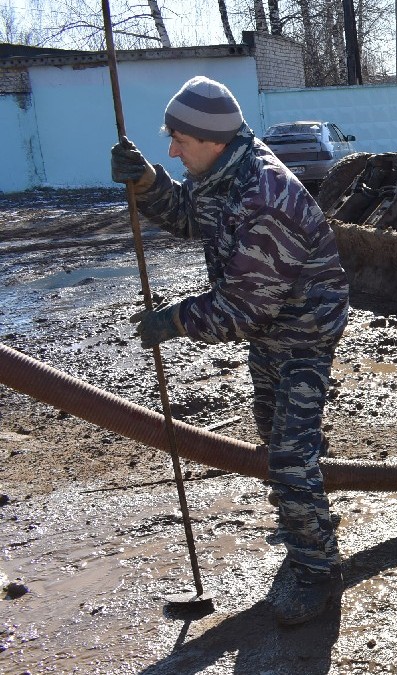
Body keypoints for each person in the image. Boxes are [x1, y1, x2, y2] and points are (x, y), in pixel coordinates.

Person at [110, 75, 349, 626]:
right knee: (274, 426)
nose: (172, 147)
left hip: (303, 330)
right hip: (269, 322)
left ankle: (316, 571)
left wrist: (173, 320)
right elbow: (196, 219)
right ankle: (306, 499)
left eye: (178, 140)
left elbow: (240, 311)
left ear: (211, 139)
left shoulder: (266, 196)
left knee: (288, 453)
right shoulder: (221, 168)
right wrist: (149, 183)